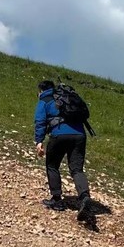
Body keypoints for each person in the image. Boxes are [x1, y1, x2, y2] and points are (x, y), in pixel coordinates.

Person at [34, 80, 92, 220]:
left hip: (59, 135)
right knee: (77, 169)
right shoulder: (67, 97)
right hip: (79, 135)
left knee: (52, 165)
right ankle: (84, 197)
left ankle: (56, 199)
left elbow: (40, 121)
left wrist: (39, 141)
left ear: (41, 90)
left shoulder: (45, 100)